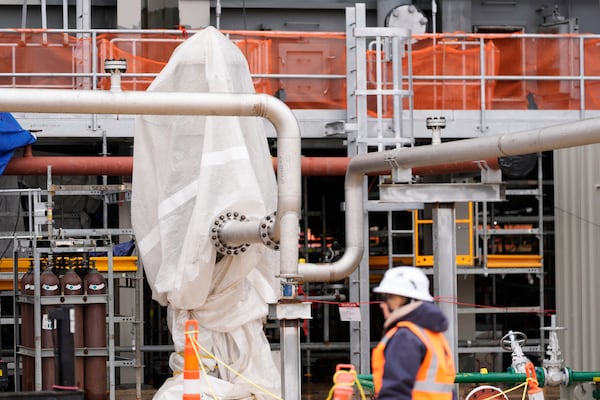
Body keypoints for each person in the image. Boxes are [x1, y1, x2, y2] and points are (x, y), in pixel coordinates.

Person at [371, 267, 457, 400]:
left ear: (408, 300)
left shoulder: (405, 337)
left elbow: (395, 393)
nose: (382, 304)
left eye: (388, 297)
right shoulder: (432, 334)